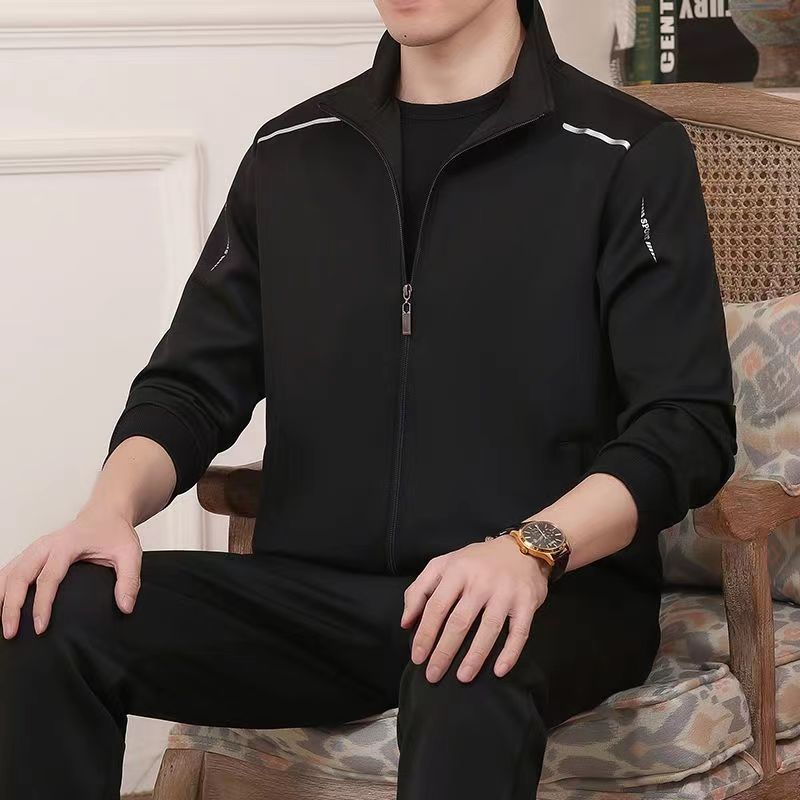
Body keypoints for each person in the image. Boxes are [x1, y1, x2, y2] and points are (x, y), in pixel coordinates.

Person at [0, 1, 737, 797]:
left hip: (548, 592)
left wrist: (531, 549)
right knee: (48, 614)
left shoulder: (624, 151)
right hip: (316, 597)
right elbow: (190, 386)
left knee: (467, 669)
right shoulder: (293, 151)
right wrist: (108, 510)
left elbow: (685, 422)